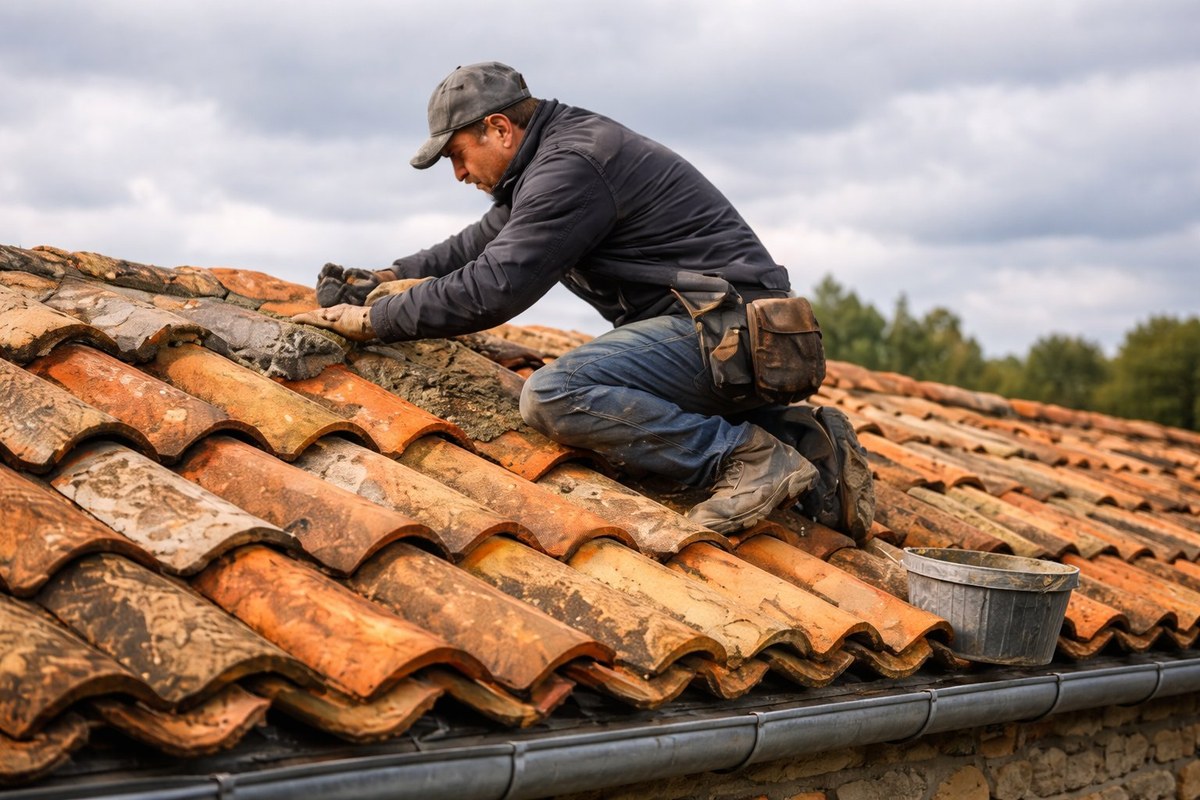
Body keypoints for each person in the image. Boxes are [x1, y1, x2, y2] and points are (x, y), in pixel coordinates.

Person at [294, 61, 873, 537]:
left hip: (725, 335)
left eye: (457, 154)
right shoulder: (559, 155)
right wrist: (387, 275)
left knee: (556, 393)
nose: (458, 173)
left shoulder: (571, 167)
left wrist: (375, 320)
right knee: (605, 377)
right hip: (740, 333)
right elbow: (480, 244)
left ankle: (747, 458)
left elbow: (493, 287)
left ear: (498, 128)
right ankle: (802, 440)